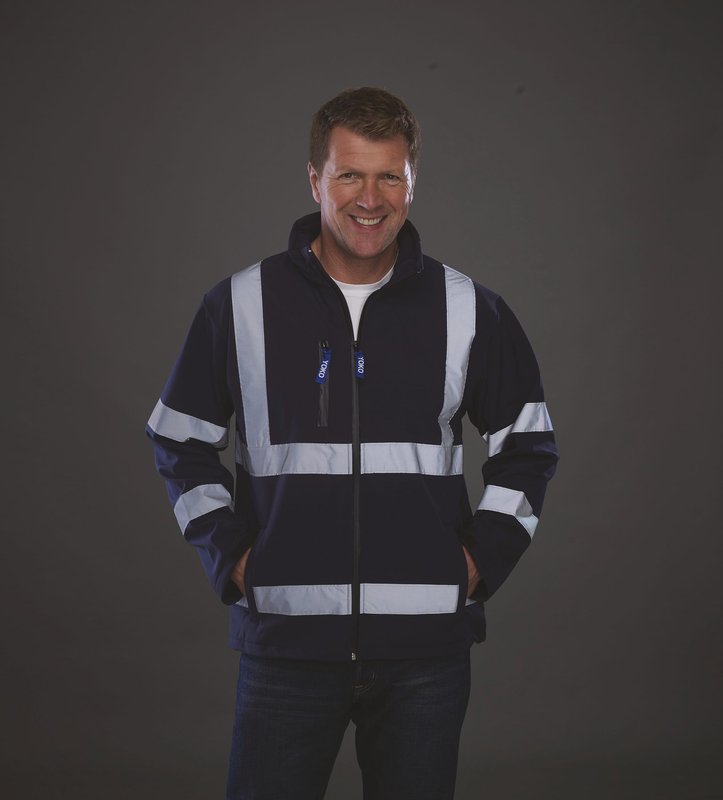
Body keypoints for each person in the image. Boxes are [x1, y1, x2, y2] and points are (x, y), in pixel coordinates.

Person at [146, 86, 559, 800]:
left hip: (425, 656)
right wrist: (232, 558)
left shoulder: (469, 309)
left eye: (389, 175)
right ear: (315, 179)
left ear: (412, 181)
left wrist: (477, 563)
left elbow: (528, 446)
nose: (370, 198)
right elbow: (177, 439)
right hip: (286, 647)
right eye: (349, 175)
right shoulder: (239, 305)